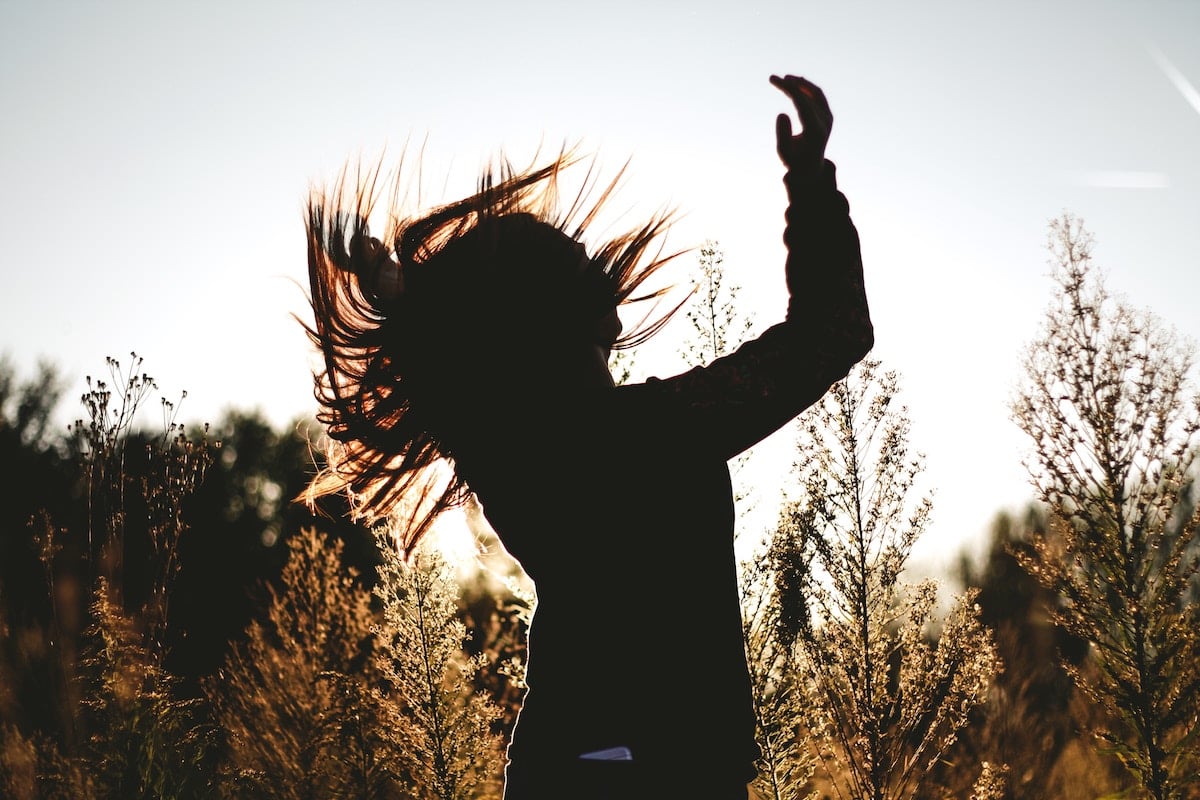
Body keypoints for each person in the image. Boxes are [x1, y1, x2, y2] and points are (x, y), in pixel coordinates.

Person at [302, 74, 873, 800]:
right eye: (569, 258)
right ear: (548, 318)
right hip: (654, 773)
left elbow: (460, 358)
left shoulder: (505, 442)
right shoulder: (650, 433)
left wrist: (403, 291)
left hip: (571, 766)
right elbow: (832, 332)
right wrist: (810, 178)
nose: (590, 255)